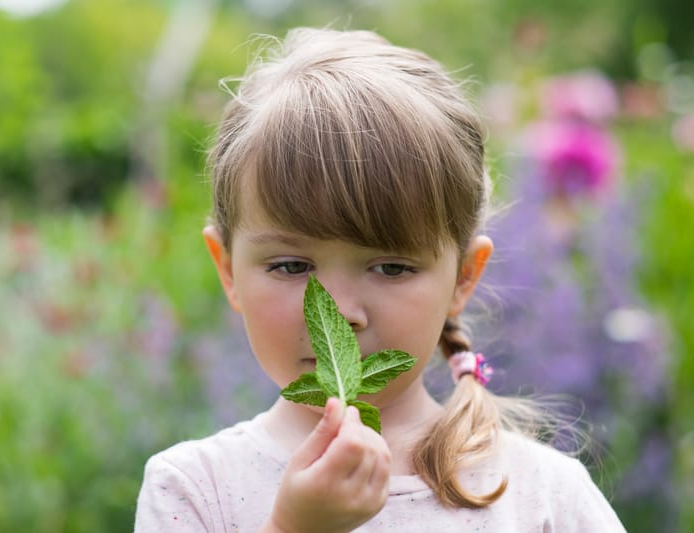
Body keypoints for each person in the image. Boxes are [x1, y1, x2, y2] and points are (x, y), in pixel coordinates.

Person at [134, 27, 626, 532]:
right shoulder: (193, 489)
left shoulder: (540, 495)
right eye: (291, 266)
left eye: (391, 267)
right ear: (227, 269)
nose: (342, 311)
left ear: (463, 277)